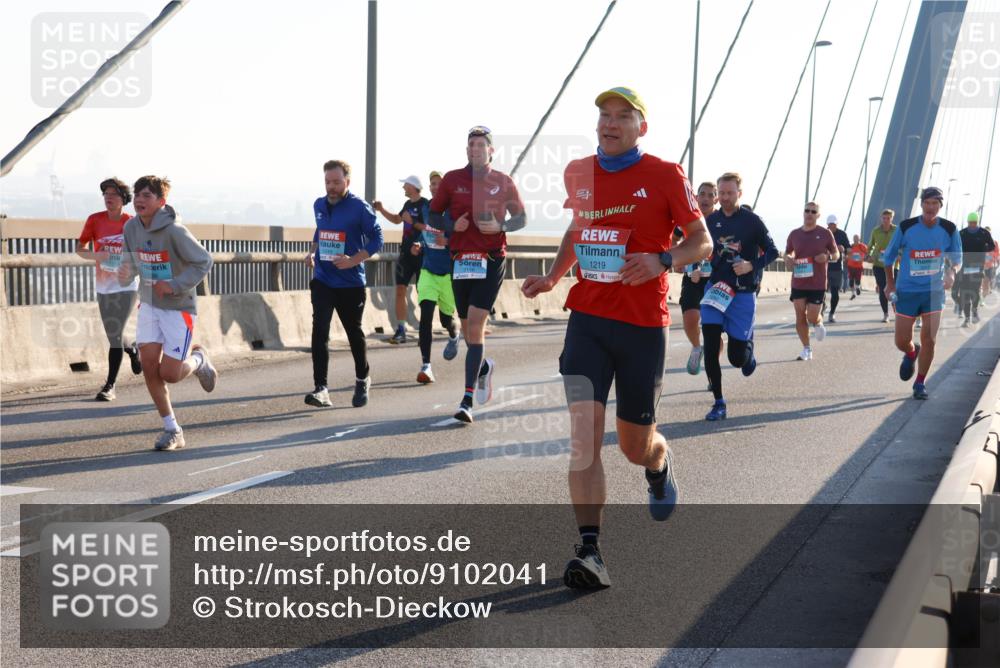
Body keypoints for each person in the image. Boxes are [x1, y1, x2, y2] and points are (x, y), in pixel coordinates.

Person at [522, 86, 711, 589]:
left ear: (640, 127)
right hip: (587, 318)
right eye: (604, 115)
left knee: (633, 446)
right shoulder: (579, 171)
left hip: (642, 326)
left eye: (622, 117)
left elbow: (702, 240)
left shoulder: (665, 175)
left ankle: (659, 460)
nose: (610, 123)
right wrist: (554, 275)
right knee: (583, 440)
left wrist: (662, 260)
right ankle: (590, 550)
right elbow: (577, 230)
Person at [428, 126, 526, 423]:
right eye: (470, 145)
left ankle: (467, 399)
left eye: (480, 146)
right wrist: (449, 226)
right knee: (467, 326)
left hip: (491, 259)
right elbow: (432, 214)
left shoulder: (503, 181)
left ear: (491, 150)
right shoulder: (452, 179)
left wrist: (501, 228)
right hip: (460, 260)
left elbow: (520, 218)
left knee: (476, 323)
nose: (474, 150)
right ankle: (483, 367)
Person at [117, 176, 216, 451]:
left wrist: (173, 285)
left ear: (161, 202)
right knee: (149, 365)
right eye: (137, 194)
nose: (139, 199)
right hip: (148, 305)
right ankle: (172, 429)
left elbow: (204, 261)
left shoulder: (174, 231)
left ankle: (198, 359)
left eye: (147, 196)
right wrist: (125, 274)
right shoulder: (131, 227)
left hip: (178, 309)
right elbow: (131, 266)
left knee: (170, 374)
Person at [304, 160, 383, 409]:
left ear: (347, 182)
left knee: (353, 334)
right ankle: (321, 389)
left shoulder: (359, 207)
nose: (332, 187)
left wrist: (353, 260)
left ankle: (362, 378)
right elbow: (321, 231)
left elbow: (377, 238)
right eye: (328, 182)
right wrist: (312, 253)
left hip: (350, 283)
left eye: (337, 182)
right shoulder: (319, 204)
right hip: (324, 279)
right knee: (320, 331)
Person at [700, 172, 779, 421]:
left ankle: (748, 347)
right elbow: (701, 249)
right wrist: (695, 266)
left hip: (743, 293)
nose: (724, 197)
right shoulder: (710, 221)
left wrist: (750, 265)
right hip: (715, 290)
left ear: (739, 194)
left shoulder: (753, 221)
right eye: (720, 193)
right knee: (711, 347)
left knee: (737, 359)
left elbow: (774, 252)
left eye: (729, 193)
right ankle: (719, 402)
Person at [883, 187, 962, 400]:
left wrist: (952, 273)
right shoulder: (906, 227)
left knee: (930, 338)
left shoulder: (949, 228)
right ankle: (910, 352)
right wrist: (889, 285)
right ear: (922, 205)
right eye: (927, 203)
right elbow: (888, 258)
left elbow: (957, 259)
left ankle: (920, 382)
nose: (930, 207)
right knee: (901, 340)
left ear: (940, 206)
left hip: (933, 291)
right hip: (907, 290)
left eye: (935, 203)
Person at [76, 177, 142, 401]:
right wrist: (97, 255)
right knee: (114, 333)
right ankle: (132, 350)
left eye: (113, 194)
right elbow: (80, 248)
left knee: (114, 336)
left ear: (123, 198)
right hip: (104, 286)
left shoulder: (132, 222)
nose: (108, 198)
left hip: (127, 285)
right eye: (105, 194)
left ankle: (109, 386)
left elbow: (141, 252)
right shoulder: (94, 220)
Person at [410, 171, 460, 383]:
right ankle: (426, 366)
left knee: (445, 319)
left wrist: (448, 242)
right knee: (426, 316)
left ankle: (453, 333)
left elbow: (464, 238)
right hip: (428, 271)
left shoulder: (454, 211)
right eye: (432, 183)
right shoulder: (427, 208)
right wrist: (420, 244)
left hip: (448, 274)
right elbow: (426, 231)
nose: (434, 187)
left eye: (439, 183)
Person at [373, 176, 428, 344]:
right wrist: (381, 210)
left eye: (405, 185)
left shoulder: (425, 204)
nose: (403, 187)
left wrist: (413, 222)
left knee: (423, 293)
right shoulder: (408, 205)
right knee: (400, 290)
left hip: (422, 254)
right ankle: (401, 329)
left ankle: (425, 330)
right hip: (405, 254)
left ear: (413, 186)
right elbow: (398, 220)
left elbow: (428, 228)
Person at [674, 181, 718, 376]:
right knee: (690, 319)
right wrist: (677, 260)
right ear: (696, 197)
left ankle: (712, 371)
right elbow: (673, 238)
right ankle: (696, 347)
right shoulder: (688, 220)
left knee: (713, 330)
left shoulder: (721, 220)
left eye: (711, 195)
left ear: (716, 199)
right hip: (691, 277)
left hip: (716, 280)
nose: (706, 199)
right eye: (703, 194)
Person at [786, 203, 839, 360]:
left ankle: (817, 322)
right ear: (803, 213)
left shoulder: (825, 233)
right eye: (807, 211)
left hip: (817, 282)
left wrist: (828, 257)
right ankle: (806, 348)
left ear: (818, 215)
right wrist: (788, 258)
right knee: (800, 314)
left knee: (812, 316)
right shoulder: (794, 234)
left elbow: (836, 255)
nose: (809, 214)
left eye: (813, 212)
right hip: (798, 281)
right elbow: (788, 252)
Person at [957, 211, 995, 326]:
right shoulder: (961, 233)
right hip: (964, 267)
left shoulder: (984, 233)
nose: (972, 224)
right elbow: (956, 247)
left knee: (975, 291)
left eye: (974, 222)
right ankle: (967, 318)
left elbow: (992, 246)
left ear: (977, 222)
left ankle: (974, 310)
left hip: (978, 267)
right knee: (965, 293)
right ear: (968, 222)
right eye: (971, 222)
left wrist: (983, 250)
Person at [867, 209, 897, 323]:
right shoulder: (876, 231)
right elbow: (870, 245)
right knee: (883, 289)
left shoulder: (897, 230)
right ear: (881, 218)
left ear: (892, 219)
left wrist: (899, 254)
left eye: (888, 218)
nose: (885, 220)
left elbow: (902, 245)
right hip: (879, 264)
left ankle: (896, 312)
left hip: (894, 264)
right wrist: (869, 255)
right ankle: (885, 314)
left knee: (893, 289)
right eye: (884, 218)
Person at [824, 215, 850, 323]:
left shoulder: (842, 234)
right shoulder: (822, 233)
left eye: (833, 224)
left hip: (836, 268)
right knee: (820, 291)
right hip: (823, 267)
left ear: (836, 224)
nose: (832, 226)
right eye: (830, 224)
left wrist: (844, 250)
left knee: (835, 292)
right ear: (827, 225)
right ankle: (822, 306)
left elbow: (849, 249)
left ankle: (832, 313)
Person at [847, 234, 867, 299]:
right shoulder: (850, 246)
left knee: (858, 279)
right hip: (851, 265)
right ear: (853, 239)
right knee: (851, 281)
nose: (856, 239)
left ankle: (858, 288)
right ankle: (853, 293)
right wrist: (847, 257)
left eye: (857, 238)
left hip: (859, 266)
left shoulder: (862, 246)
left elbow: (868, 253)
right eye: (854, 238)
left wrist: (863, 257)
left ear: (859, 239)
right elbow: (846, 254)